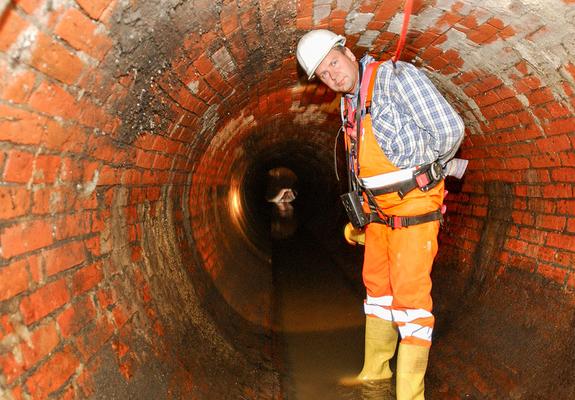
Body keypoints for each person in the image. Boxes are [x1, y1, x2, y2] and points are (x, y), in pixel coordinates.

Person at [296, 30, 466, 400]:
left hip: (412, 207)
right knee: (377, 292)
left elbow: (450, 129)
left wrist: (422, 171)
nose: (333, 76)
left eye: (334, 64)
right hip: (377, 212)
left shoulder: (395, 77)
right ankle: (375, 374)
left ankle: (409, 394)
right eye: (323, 74)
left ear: (347, 51)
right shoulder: (348, 102)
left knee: (410, 300)